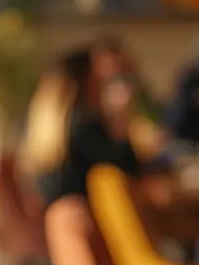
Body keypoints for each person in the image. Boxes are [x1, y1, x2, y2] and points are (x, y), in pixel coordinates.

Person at [20, 46, 141, 205]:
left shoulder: (49, 125)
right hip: (86, 213)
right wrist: (121, 119)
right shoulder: (82, 125)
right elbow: (126, 168)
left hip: (55, 211)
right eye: (99, 79)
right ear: (86, 82)